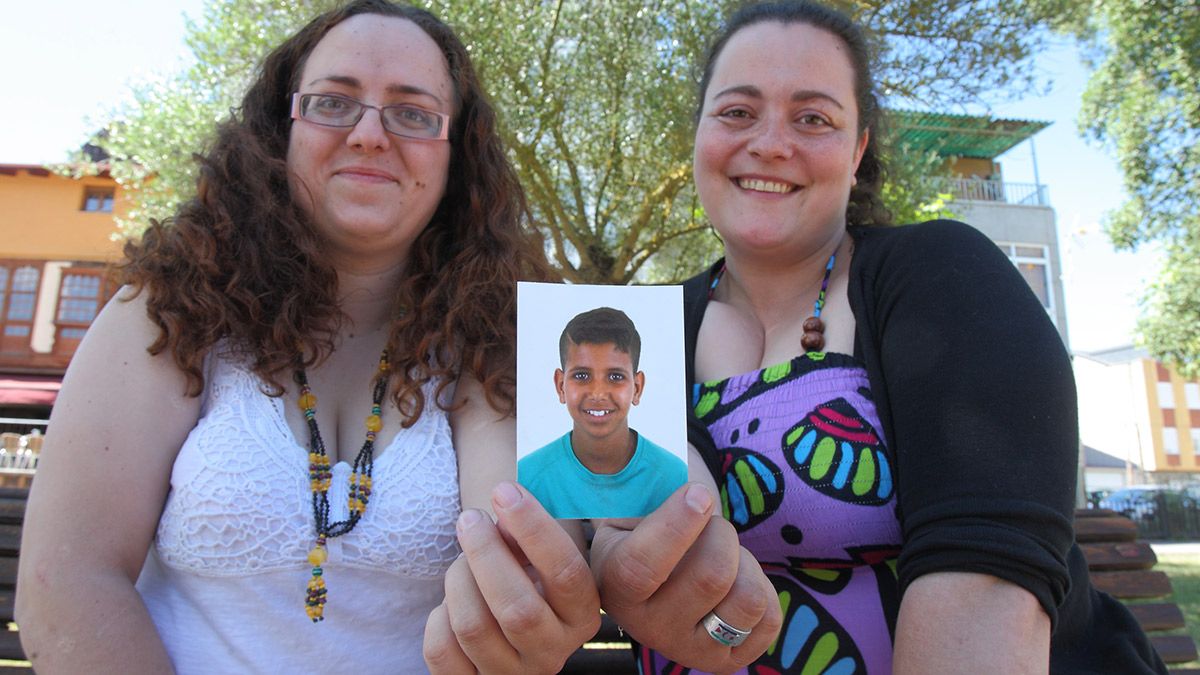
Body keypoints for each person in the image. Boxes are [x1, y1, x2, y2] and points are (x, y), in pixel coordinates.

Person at [15, 2, 601, 672]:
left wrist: (549, 585)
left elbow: (520, 554)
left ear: (456, 157)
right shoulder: (169, 308)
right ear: (279, 128)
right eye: (333, 102)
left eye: (413, 113)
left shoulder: (498, 339)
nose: (369, 135)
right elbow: (67, 584)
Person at [594, 1, 1168, 673]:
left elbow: (988, 586)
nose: (771, 142)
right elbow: (602, 532)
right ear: (698, 135)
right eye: (737, 112)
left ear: (858, 148)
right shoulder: (640, 330)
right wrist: (614, 561)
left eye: (813, 118)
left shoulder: (944, 276)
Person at [518, 307, 687, 519]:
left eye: (615, 377)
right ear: (561, 386)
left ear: (637, 387)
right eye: (581, 375)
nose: (598, 394)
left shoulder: (674, 479)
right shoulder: (527, 479)